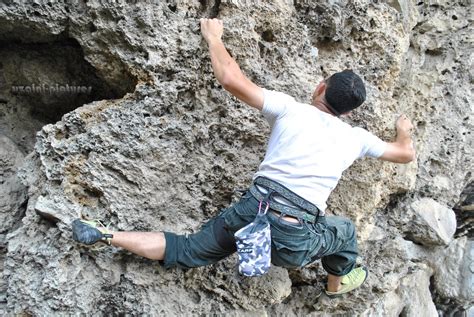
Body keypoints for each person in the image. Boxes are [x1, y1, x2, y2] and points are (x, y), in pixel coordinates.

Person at [72, 18, 415, 297]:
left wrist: (213, 37)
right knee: (344, 232)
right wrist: (403, 130)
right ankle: (337, 284)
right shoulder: (356, 138)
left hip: (254, 209)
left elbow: (230, 78)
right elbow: (404, 154)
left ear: (320, 88)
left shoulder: (290, 110)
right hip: (294, 235)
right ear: (350, 113)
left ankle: (107, 235)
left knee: (189, 249)